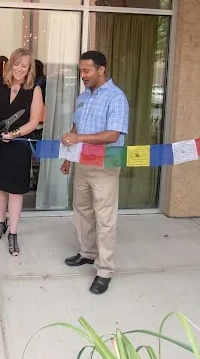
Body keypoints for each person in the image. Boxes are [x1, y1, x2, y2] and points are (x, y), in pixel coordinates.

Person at [61, 51, 129, 295]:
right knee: (82, 210)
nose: (82, 75)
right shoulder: (82, 97)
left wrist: (79, 138)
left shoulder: (116, 97)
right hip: (82, 163)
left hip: (105, 166)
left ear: (101, 70)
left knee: (105, 217)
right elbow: (75, 128)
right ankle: (88, 253)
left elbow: (113, 134)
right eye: (80, 70)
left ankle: (105, 270)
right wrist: (68, 158)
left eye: (86, 70)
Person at [0, 48, 44, 256]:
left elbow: (34, 122)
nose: (19, 69)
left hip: (19, 144)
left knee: (15, 190)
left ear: (29, 68)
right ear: (10, 65)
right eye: (16, 64)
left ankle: (13, 233)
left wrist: (14, 134)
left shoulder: (34, 90)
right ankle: (1, 222)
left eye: (24, 66)